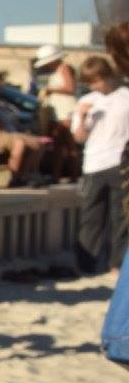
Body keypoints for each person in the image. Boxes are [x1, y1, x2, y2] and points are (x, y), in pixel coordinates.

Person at [71, 54, 129, 272]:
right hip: (94, 164)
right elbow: (78, 137)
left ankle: (118, 264)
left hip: (120, 162)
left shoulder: (125, 96)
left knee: (121, 217)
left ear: (106, 75)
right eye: (89, 82)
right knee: (90, 217)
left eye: (96, 80)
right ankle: (87, 265)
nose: (94, 86)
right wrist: (83, 118)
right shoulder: (87, 101)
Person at [33, 44, 78, 127]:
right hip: (57, 109)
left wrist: (49, 89)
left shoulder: (64, 68)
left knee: (64, 135)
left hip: (66, 109)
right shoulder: (52, 71)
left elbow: (70, 88)